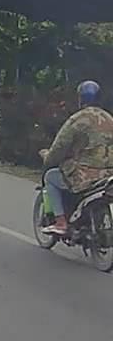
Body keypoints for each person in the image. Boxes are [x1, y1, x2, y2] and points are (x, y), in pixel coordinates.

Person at [39, 80, 113, 236]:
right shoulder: (109, 119)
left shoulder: (78, 120)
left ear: (80, 98)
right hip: (108, 176)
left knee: (50, 176)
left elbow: (60, 147)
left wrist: (47, 157)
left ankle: (61, 222)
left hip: (84, 176)